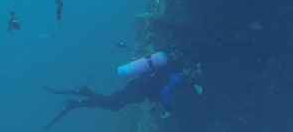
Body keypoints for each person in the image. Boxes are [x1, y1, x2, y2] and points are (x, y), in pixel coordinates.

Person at [44, 52, 202, 129]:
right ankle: (82, 93)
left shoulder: (173, 71)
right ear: (188, 68)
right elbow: (165, 93)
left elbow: (175, 82)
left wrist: (194, 85)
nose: (195, 72)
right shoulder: (177, 77)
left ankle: (76, 102)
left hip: (137, 86)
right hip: (138, 91)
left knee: (112, 105)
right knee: (111, 103)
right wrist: (169, 110)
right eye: (195, 69)